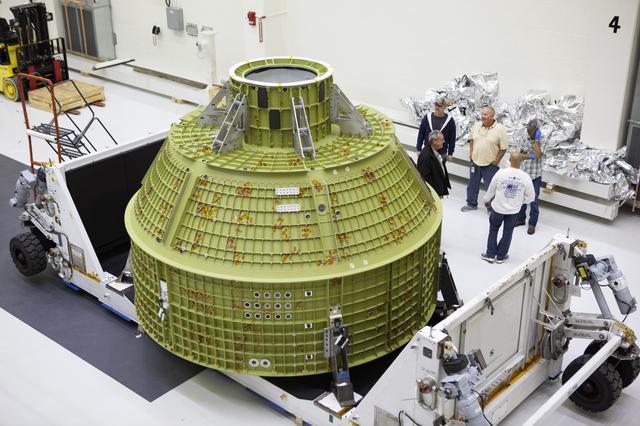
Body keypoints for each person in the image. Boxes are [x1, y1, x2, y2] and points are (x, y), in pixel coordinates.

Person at [481, 152, 534, 264]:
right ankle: (501, 256)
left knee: (493, 229)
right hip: (514, 211)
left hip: (498, 208)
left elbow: (491, 189)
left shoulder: (501, 173)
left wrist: (487, 200)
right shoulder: (526, 177)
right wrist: (520, 202)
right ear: (522, 161)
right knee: (508, 232)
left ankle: (490, 255)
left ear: (509, 159)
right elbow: (531, 197)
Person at [461, 105, 508, 212]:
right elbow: (472, 139)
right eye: (482, 114)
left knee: (491, 187)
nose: (483, 116)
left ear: (492, 116)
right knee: (472, 184)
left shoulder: (500, 129)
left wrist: (496, 161)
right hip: (475, 161)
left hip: (490, 164)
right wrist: (471, 153)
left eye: (485, 114)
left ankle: (491, 209)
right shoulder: (477, 125)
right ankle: (471, 204)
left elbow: (503, 148)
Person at [515, 119, 545, 235]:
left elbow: (537, 155)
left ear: (536, 130)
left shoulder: (542, 140)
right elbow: (519, 154)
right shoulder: (524, 137)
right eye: (528, 130)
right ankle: (520, 219)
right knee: (521, 198)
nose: (529, 132)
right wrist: (528, 155)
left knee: (534, 200)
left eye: (531, 131)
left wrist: (537, 141)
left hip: (535, 175)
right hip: (523, 173)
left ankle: (532, 224)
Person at [416, 96, 457, 162]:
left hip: (441, 153)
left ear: (444, 107)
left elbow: (452, 138)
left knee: (439, 169)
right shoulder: (427, 117)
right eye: (436, 105)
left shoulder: (450, 121)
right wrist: (418, 149)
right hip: (427, 151)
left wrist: (450, 153)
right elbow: (421, 134)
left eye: (440, 106)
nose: (437, 107)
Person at [417, 130, 451, 197]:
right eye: (441, 140)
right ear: (434, 141)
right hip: (432, 194)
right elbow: (425, 178)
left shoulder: (435, 151)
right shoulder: (426, 156)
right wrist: (434, 193)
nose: (444, 141)